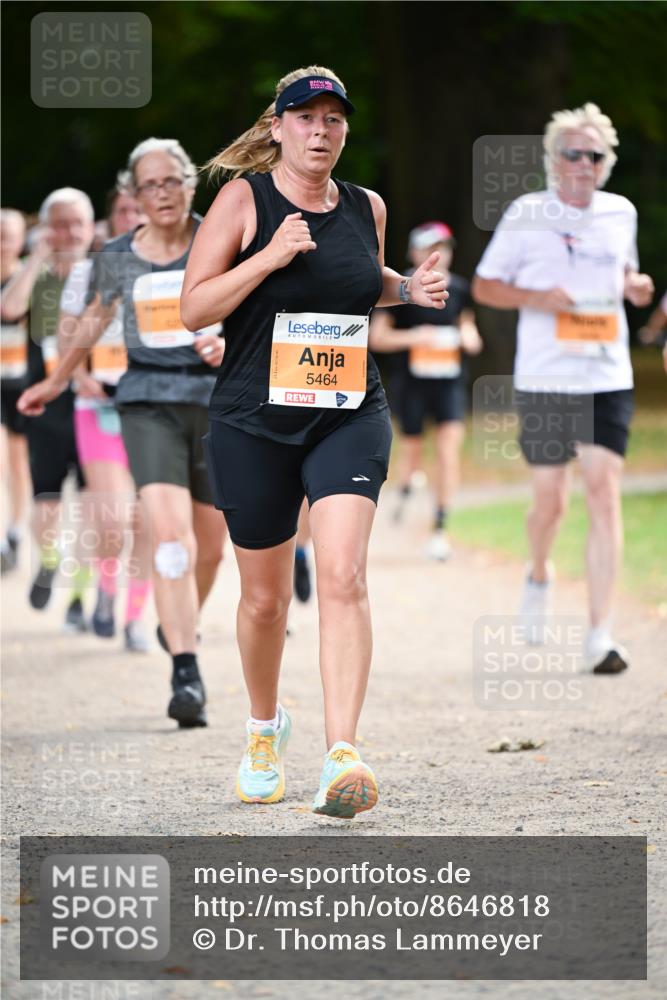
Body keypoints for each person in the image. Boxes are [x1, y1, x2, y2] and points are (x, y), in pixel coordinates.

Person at [180, 65, 447, 817]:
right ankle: (265, 730)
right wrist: (268, 255)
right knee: (264, 602)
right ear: (278, 127)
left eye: (333, 120)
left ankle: (342, 756)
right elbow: (192, 309)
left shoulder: (367, 205)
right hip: (251, 420)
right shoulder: (245, 199)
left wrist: (404, 289)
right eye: (306, 118)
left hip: (345, 409)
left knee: (342, 575)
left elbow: (356, 278)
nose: (321, 132)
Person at [18, 138, 227, 726]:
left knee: (210, 547)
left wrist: (230, 339)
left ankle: (174, 622)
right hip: (147, 405)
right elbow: (90, 320)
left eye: (172, 182)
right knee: (170, 538)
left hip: (216, 406)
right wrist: (58, 380)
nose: (161, 194)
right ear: (133, 195)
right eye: (149, 185)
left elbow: (256, 306)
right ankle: (185, 670)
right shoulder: (116, 256)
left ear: (191, 183)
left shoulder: (223, 238)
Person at [472, 102, 654, 673]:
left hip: (606, 373)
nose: (582, 162)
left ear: (606, 164)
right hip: (546, 375)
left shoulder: (620, 213)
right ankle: (539, 572)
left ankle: (600, 633)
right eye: (572, 152)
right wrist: (536, 297)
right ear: (554, 159)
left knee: (602, 489)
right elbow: (484, 286)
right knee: (550, 500)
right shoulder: (527, 212)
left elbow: (623, 273)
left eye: (593, 155)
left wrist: (636, 286)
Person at [59, 184, 152, 651]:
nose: (132, 216)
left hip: (155, 408)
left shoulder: (174, 270)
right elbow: (64, 339)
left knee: (151, 520)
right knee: (114, 518)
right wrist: (79, 377)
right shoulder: (87, 271)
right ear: (111, 217)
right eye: (123, 209)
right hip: (98, 408)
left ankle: (136, 619)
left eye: (140, 208)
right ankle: (106, 589)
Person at [2, 189, 95, 629]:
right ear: (44, 228)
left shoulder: (103, 273)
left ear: (90, 226)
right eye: (59, 223)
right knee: (48, 501)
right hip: (45, 403)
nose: (69, 232)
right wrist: (37, 256)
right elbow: (9, 308)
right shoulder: (35, 278)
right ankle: (49, 559)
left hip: (96, 406)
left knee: (97, 505)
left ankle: (79, 596)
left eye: (77, 222)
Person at [370, 221, 483, 560]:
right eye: (431, 247)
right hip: (412, 385)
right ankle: (406, 486)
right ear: (415, 252)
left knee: (449, 453)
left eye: (445, 247)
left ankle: (440, 528)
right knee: (412, 453)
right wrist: (415, 338)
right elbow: (377, 337)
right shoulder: (399, 288)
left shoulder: (459, 290)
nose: (439, 254)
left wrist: (469, 340)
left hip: (449, 383)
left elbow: (469, 331)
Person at [0, 208, 31, 573]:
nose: (3, 239)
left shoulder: (31, 277)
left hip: (21, 382)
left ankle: (16, 530)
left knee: (19, 463)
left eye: (9, 233)